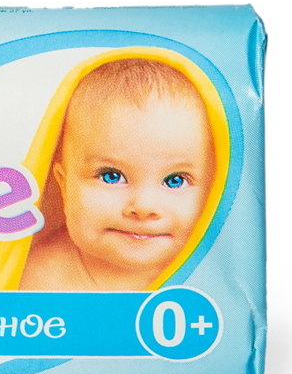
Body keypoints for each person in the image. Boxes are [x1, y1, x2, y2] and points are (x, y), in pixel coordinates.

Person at [19, 58, 214, 291]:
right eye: (111, 176)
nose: (143, 207)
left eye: (175, 181)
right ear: (64, 185)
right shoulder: (40, 278)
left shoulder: (218, 273)